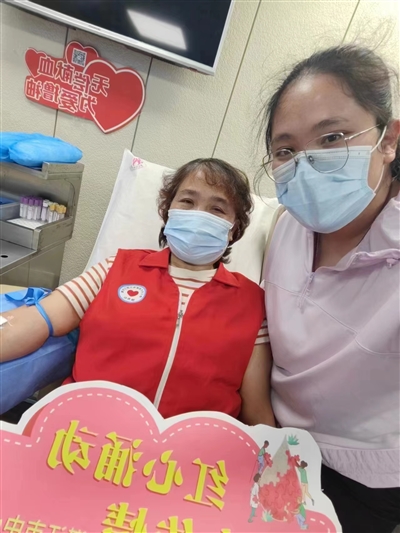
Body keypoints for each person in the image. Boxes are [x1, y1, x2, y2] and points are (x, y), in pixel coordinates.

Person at [0, 158, 275, 427]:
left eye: (217, 209)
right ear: (168, 211)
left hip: (187, 452)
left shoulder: (251, 303)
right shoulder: (114, 270)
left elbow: (257, 410)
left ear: (234, 228)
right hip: (83, 435)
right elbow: (37, 320)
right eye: (187, 202)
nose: (199, 215)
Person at [260, 45, 400, 533]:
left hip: (359, 475)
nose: (305, 164)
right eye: (286, 150)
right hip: (268, 431)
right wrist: (264, 431)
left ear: (389, 139)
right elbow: (261, 337)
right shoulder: (285, 225)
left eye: (332, 138)